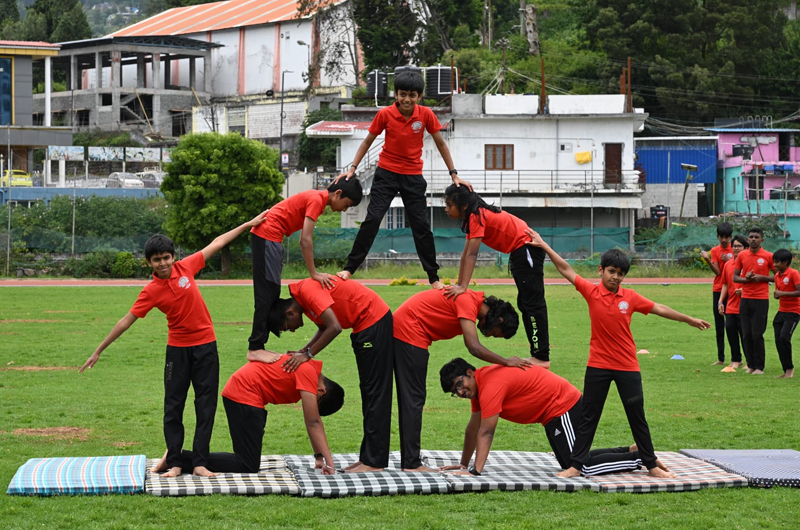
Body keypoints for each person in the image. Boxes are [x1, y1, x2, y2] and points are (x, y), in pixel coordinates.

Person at [80, 212, 269, 477]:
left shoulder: (186, 267)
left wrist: (248, 225)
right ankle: (176, 463)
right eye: (156, 260)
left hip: (206, 348)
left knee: (205, 405)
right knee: (173, 407)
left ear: (173, 257)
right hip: (177, 353)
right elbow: (126, 321)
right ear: (149, 263)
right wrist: (98, 350)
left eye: (166, 258)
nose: (162, 263)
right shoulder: (150, 292)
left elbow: (217, 242)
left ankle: (200, 462)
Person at [527, 231, 710, 479]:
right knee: (589, 417)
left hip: (627, 367)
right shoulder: (591, 292)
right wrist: (544, 245)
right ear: (601, 271)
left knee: (637, 417)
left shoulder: (630, 297)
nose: (616, 277)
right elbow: (566, 269)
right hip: (598, 367)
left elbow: (659, 308)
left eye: (620, 273)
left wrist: (689, 320)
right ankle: (575, 466)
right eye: (611, 271)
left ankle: (651, 465)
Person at [333, 70, 473, 288]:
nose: (407, 99)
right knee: (372, 219)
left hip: (413, 176)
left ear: (419, 96)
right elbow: (367, 142)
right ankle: (349, 268)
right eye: (403, 94)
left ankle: (433, 278)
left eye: (412, 95)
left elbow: (441, 144)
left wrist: (454, 173)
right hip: (386, 174)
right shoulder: (385, 114)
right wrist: (352, 168)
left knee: (421, 226)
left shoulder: (425, 115)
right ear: (395, 94)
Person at [438, 358, 671, 477]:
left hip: (562, 405)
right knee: (571, 462)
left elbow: (487, 432)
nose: (459, 392)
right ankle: (628, 450)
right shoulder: (479, 388)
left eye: (459, 384)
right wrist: (464, 464)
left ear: (470, 373)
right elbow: (473, 428)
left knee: (580, 467)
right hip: (552, 413)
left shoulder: (489, 385)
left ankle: (640, 458)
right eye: (454, 392)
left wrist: (475, 472)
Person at [393, 288, 537, 472]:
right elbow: (474, 347)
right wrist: (506, 361)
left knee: (413, 398)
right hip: (409, 332)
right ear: (499, 320)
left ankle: (408, 460)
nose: (487, 335)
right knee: (414, 399)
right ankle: (411, 463)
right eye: (494, 333)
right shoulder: (468, 301)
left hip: (410, 333)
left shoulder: (471, 302)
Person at [265, 278, 393, 473]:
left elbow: (335, 327)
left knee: (375, 393)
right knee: (368, 392)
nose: (292, 329)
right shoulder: (304, 301)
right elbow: (325, 327)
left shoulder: (307, 291)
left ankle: (375, 462)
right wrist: (303, 351)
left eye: (287, 326)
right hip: (364, 326)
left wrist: (307, 355)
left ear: (289, 313)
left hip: (373, 321)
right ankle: (368, 457)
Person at [151, 354, 344, 475]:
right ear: (322, 391)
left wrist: (319, 456)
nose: (307, 405)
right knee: (247, 464)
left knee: (247, 461)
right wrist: (331, 463)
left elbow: (311, 421)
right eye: (316, 404)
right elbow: (313, 422)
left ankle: (180, 457)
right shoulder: (308, 373)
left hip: (244, 394)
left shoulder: (308, 369)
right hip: (243, 395)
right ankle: (180, 457)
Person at [248, 179, 363, 358]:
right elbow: (305, 240)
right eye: (346, 205)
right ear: (338, 194)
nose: (344, 209)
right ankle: (255, 348)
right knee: (267, 292)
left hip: (272, 238)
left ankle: (259, 346)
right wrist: (314, 273)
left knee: (271, 291)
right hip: (266, 235)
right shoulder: (317, 199)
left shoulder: (316, 198)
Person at [442, 184, 550, 366]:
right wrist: (460, 286)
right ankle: (538, 354)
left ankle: (541, 356)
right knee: (525, 304)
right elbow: (465, 254)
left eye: (449, 205)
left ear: (464, 205)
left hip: (526, 248)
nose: (446, 209)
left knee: (533, 305)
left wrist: (463, 287)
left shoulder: (478, 216)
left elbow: (472, 255)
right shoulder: (473, 217)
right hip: (519, 251)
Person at [734, 227, 774, 375]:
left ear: (762, 240)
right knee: (746, 333)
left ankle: (759, 367)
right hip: (745, 298)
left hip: (761, 299)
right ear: (747, 239)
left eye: (756, 237)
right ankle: (750, 365)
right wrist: (747, 279)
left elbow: (778, 276)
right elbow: (735, 277)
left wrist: (762, 278)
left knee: (757, 334)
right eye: (751, 237)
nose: (753, 239)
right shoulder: (742, 255)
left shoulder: (768, 256)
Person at [701, 222, 733, 365]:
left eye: (726, 237)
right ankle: (721, 358)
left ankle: (737, 358)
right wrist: (707, 259)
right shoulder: (715, 251)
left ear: (731, 237)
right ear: (718, 237)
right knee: (719, 325)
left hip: (732, 289)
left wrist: (730, 260)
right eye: (721, 237)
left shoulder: (737, 249)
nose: (724, 240)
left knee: (733, 325)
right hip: (718, 289)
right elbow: (718, 272)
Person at [718, 235, 748, 370]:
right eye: (734, 246)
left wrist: (744, 291)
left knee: (745, 334)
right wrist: (720, 301)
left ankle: (750, 360)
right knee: (730, 331)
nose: (736, 248)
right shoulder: (728, 264)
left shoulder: (748, 264)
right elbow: (725, 284)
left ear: (746, 248)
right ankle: (736, 359)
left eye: (739, 246)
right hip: (731, 305)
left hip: (745, 305)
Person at [772, 248, 800, 379]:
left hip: (794, 311)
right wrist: (778, 295)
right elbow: (779, 292)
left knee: (784, 337)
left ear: (786, 262)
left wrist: (782, 293)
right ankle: (785, 369)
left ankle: (790, 369)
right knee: (778, 340)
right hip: (781, 311)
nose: (775, 265)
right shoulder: (777, 276)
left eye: (777, 262)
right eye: (774, 262)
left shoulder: (794, 273)